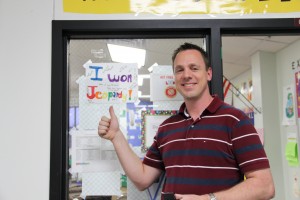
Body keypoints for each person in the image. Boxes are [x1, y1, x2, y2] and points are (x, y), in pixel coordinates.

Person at [98, 42, 275, 200]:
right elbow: (142, 179)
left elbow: (264, 186)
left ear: (209, 74)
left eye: (194, 68)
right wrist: (116, 136)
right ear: (174, 77)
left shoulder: (235, 121)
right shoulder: (167, 128)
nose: (186, 75)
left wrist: (209, 199)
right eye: (179, 70)